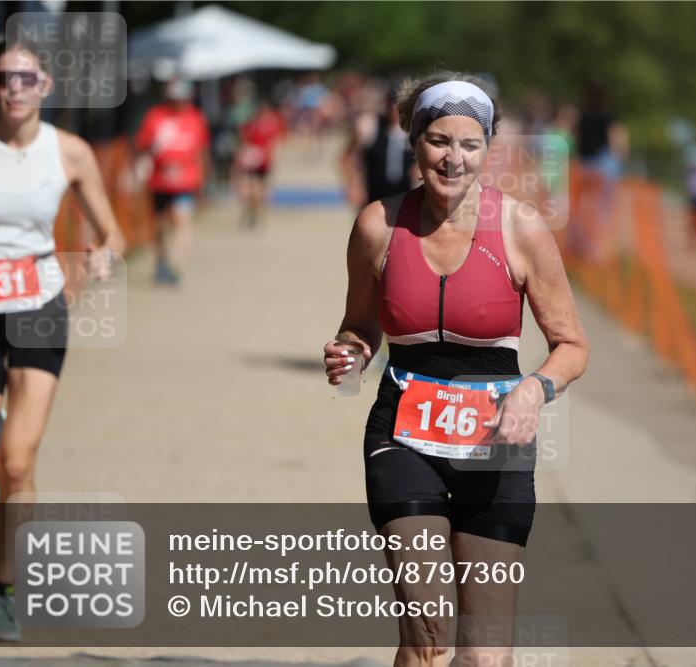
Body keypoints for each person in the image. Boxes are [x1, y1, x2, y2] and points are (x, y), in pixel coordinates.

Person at [322, 72, 589, 666]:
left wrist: (533, 391)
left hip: (495, 446)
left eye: (470, 144)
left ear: (488, 148)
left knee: (484, 655)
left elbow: (572, 345)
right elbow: (359, 325)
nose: (454, 158)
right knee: (427, 634)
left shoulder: (521, 228)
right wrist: (351, 350)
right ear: (415, 141)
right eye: (439, 140)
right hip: (403, 435)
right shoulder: (377, 226)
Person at [0, 38, 125, 642]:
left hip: (37, 307)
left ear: (45, 85)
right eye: (4, 77)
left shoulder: (69, 151)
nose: (16, 88)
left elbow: (111, 233)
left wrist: (100, 259)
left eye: (27, 78)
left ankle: (4, 594)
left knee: (17, 462)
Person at [134, 78, 210, 285]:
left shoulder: (195, 118)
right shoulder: (156, 117)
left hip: (185, 182)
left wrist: (203, 180)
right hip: (159, 180)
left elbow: (202, 150)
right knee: (160, 225)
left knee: (181, 221)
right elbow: (143, 145)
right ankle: (161, 260)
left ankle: (174, 266)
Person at [342, 87, 417, 212]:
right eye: (392, 104)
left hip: (403, 196)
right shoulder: (370, 126)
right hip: (373, 197)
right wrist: (353, 185)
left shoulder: (412, 131)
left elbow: (419, 165)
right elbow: (347, 158)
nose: (394, 109)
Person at [233, 97, 285, 229]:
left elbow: (276, 143)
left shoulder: (269, 124)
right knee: (251, 189)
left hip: (261, 161)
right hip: (254, 161)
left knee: (257, 189)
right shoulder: (256, 124)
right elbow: (245, 141)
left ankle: (256, 214)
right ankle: (253, 212)